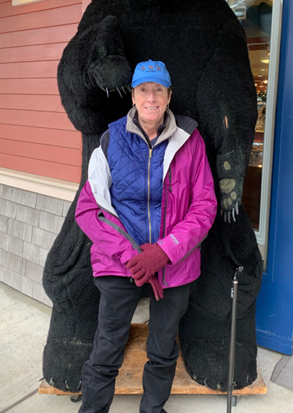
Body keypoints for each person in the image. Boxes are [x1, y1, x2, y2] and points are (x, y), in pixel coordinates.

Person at [75, 60, 217, 413]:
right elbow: (89, 210)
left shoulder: (190, 140)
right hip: (120, 261)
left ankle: (152, 409)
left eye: (158, 90)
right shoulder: (110, 139)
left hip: (175, 264)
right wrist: (132, 256)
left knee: (163, 346)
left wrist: (163, 253)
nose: (150, 97)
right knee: (107, 346)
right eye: (143, 89)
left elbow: (205, 206)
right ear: (133, 96)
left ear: (169, 96)